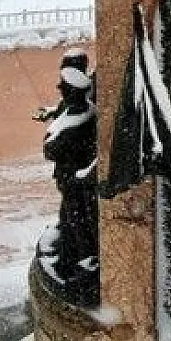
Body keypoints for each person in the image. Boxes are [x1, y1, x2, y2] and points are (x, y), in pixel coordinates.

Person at [38, 49, 99, 297]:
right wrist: (53, 114)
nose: (59, 87)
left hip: (75, 184)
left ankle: (85, 266)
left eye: (63, 85)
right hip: (73, 182)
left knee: (78, 222)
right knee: (75, 221)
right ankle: (77, 256)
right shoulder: (80, 108)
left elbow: (50, 149)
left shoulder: (76, 122)